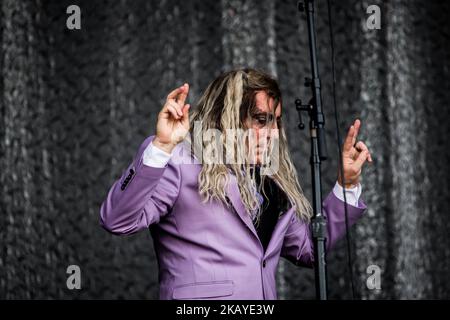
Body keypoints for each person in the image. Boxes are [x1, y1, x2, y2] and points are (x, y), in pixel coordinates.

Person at [99, 68, 372, 300]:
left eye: (276, 122)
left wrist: (346, 185)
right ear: (224, 117)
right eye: (260, 120)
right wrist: (161, 147)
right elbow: (117, 221)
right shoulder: (179, 160)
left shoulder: (271, 180)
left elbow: (310, 250)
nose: (273, 133)